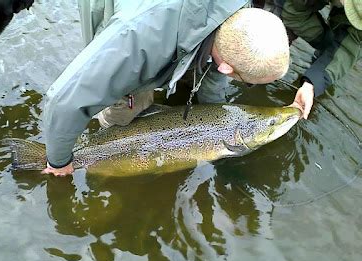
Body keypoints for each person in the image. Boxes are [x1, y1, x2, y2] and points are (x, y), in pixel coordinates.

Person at [42, 0, 291, 177]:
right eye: (245, 80)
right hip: (127, 19)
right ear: (227, 67)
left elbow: (215, 74)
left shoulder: (240, 16)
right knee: (123, 103)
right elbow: (64, 101)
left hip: (176, 22)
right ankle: (99, 142)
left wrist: (214, 112)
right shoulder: (133, 44)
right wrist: (59, 160)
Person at [271, 0, 362, 119]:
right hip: (291, 6)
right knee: (263, 50)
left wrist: (311, 84)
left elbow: (351, 45)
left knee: (332, 51)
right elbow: (291, 12)